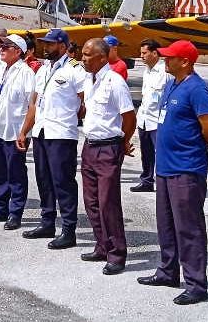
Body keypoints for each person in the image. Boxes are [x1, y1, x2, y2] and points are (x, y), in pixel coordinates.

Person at [136, 39, 208, 306]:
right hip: (166, 167)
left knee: (189, 228)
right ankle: (168, 271)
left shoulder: (197, 89)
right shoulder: (172, 83)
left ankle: (196, 284)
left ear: (185, 61)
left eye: (170, 57)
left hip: (186, 168)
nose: (165, 60)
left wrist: (193, 144)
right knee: (167, 224)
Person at [18, 28, 85, 250]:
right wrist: (24, 130)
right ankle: (47, 222)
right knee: (44, 179)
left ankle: (68, 229)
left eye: (50, 44)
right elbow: (34, 104)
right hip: (42, 132)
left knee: (63, 182)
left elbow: (85, 101)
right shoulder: (43, 70)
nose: (45, 47)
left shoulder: (75, 70)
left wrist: (74, 118)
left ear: (63, 46)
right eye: (44, 43)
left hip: (62, 134)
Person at [79, 38, 136, 276]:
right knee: (91, 202)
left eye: (87, 55)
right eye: (82, 54)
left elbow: (129, 117)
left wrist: (122, 142)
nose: (82, 58)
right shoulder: (89, 79)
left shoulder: (115, 81)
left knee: (107, 203)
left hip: (108, 148)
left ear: (102, 58)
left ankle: (116, 253)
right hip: (89, 146)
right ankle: (101, 245)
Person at [0, 34, 35, 230]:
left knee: (16, 172)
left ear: (18, 51)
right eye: (1, 45)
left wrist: (25, 132)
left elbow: (32, 105)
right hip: (0, 128)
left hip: (15, 131)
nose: (1, 48)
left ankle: (15, 212)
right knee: (1, 170)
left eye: (6, 46)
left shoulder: (26, 73)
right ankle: (0, 208)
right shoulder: (3, 69)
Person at [133, 39, 169, 193]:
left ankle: (163, 183)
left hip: (157, 121)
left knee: (161, 154)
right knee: (146, 154)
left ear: (155, 53)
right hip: (144, 119)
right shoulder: (146, 71)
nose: (141, 56)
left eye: (144, 53)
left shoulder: (165, 73)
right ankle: (147, 181)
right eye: (141, 53)